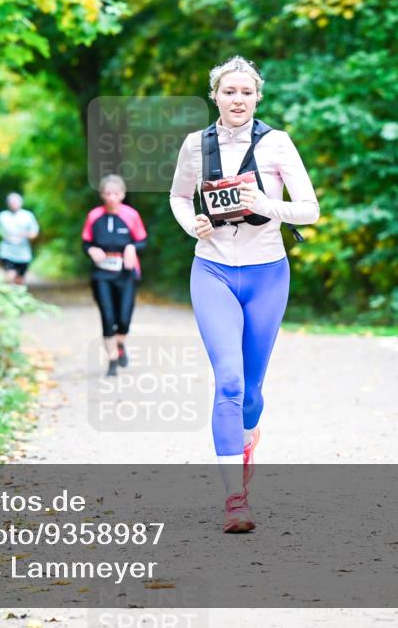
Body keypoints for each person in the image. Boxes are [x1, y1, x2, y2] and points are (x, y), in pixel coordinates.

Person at [169, 55, 319, 533]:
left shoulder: (277, 144)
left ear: (258, 97)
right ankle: (236, 499)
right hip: (212, 270)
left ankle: (246, 439)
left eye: (246, 92)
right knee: (229, 382)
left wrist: (264, 204)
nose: (238, 99)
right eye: (229, 91)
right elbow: (177, 195)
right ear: (215, 95)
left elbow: (310, 210)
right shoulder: (195, 145)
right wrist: (189, 224)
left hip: (267, 274)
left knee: (251, 391)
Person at [82, 174, 148, 377]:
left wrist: (131, 247)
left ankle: (120, 345)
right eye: (107, 193)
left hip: (125, 273)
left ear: (122, 194)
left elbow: (143, 241)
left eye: (116, 193)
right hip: (102, 273)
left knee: (124, 319)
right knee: (107, 316)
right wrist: (91, 250)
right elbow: (86, 242)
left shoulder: (131, 215)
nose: (111, 197)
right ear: (102, 194)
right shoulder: (94, 216)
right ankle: (111, 360)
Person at [0, 192, 39, 285]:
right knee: (10, 275)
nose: (14, 204)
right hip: (7, 251)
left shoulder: (28, 216)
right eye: (12, 202)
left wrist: (24, 234)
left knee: (20, 279)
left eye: (16, 202)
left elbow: (34, 233)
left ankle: (18, 295)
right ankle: (9, 294)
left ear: (21, 203)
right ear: (8, 203)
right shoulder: (2, 216)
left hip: (23, 253)